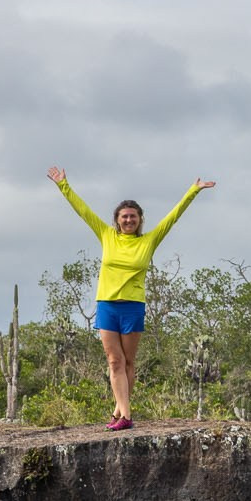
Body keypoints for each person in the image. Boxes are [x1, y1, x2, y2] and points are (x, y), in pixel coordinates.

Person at [46, 166, 214, 430]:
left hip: (133, 307)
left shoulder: (148, 241)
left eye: (133, 216)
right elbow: (83, 211)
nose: (128, 220)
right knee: (114, 361)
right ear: (116, 219)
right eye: (124, 216)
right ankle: (126, 416)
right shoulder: (106, 235)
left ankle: (118, 412)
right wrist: (63, 185)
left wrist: (193, 191)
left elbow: (174, 217)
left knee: (129, 362)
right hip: (107, 306)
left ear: (140, 219)